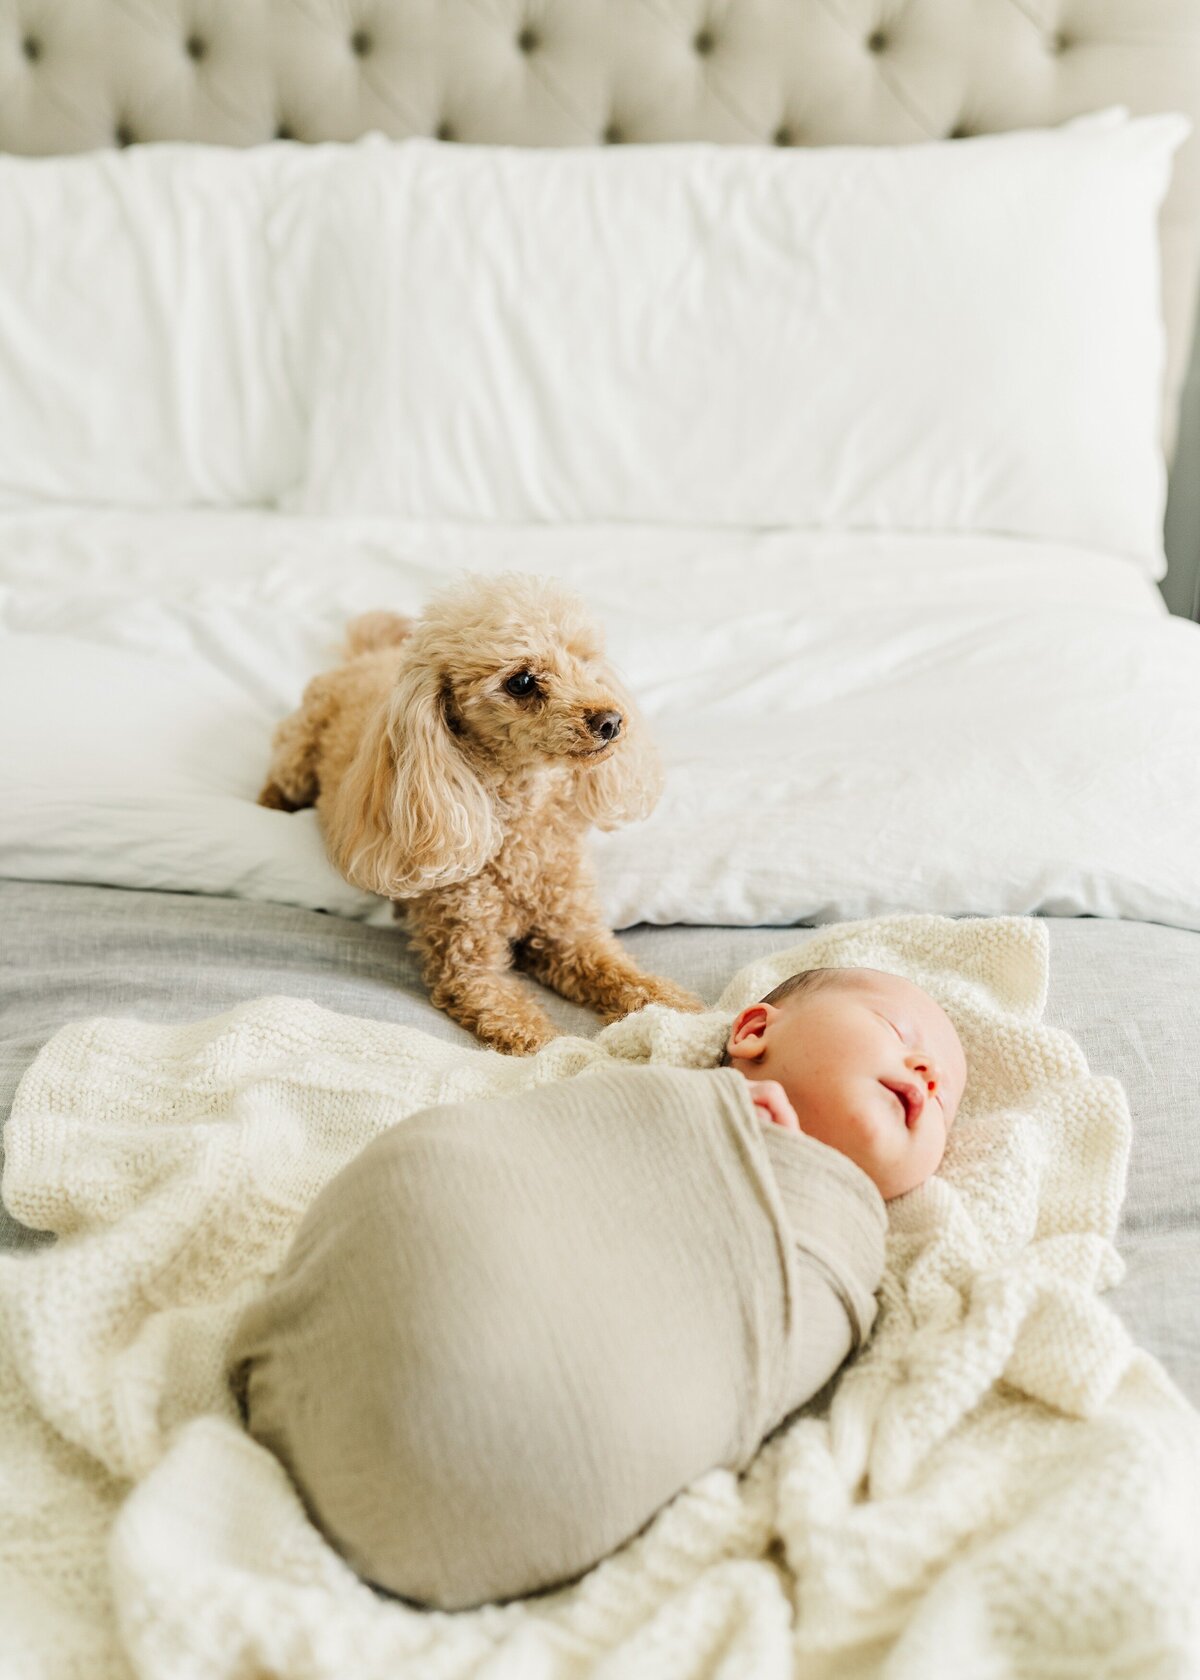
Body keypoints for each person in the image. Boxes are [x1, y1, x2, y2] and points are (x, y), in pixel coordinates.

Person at [228, 966, 967, 1611]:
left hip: (558, 1442)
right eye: (897, 1030)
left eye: (944, 1101)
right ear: (751, 1032)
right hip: (460, 1235)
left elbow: (775, 1351)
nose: (926, 1074)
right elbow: (534, 1153)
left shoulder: (844, 1239)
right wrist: (719, 1119)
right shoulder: (653, 1099)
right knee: (429, 1178)